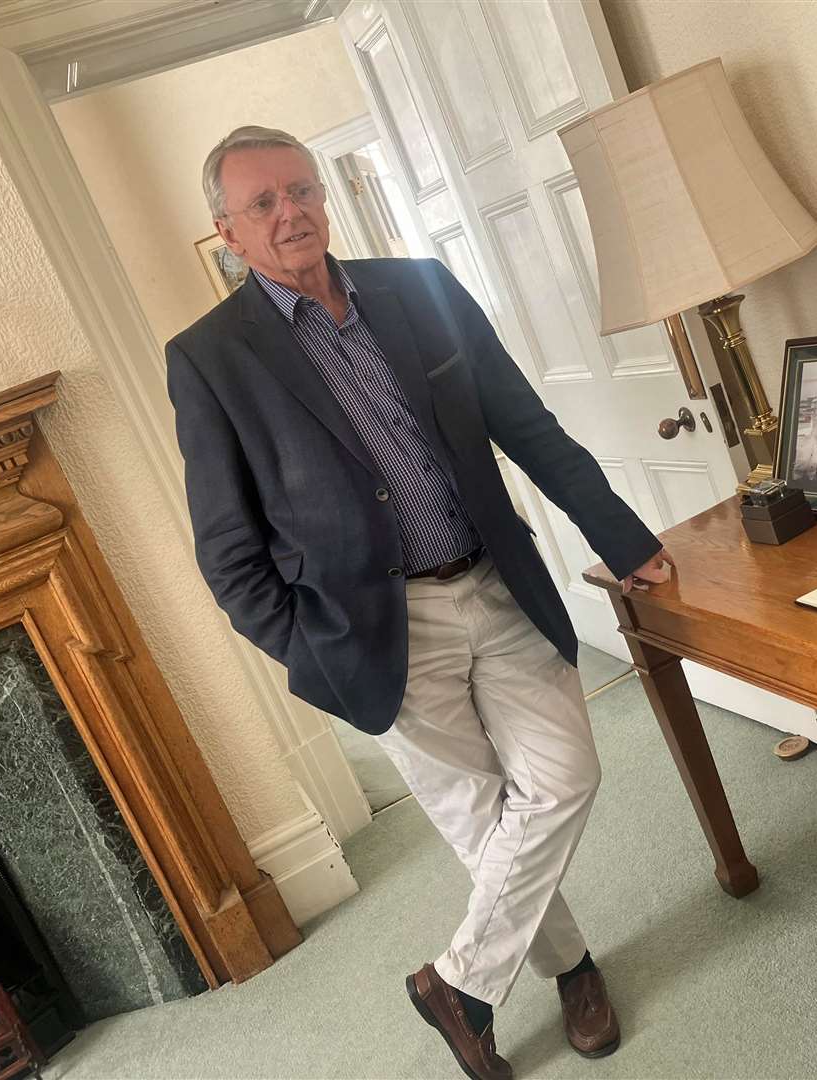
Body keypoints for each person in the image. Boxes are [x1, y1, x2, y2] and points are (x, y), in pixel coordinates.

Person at [165, 125, 671, 1080]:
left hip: (494, 578)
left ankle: (457, 984)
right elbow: (229, 553)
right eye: (263, 203)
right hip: (375, 629)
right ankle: (572, 973)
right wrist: (317, 652)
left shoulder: (421, 289)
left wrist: (621, 534)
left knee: (561, 781)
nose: (292, 213)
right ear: (228, 231)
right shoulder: (208, 358)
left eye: (301, 189)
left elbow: (526, 424)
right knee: (479, 821)